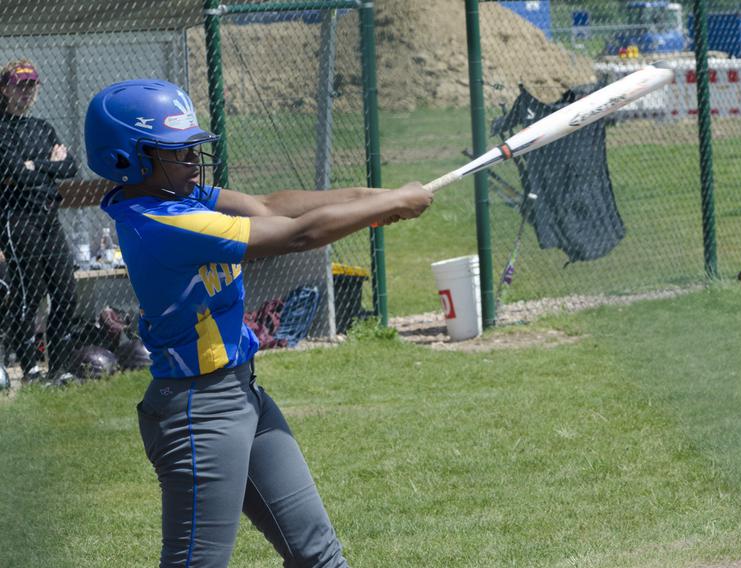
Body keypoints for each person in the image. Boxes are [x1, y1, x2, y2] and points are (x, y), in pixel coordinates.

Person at [85, 79, 432, 567]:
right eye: (176, 152)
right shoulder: (160, 220)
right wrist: (389, 205)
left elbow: (272, 206)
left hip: (242, 394)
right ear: (127, 159)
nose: (191, 162)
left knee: (318, 554)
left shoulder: (182, 196)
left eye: (191, 150)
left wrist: (381, 195)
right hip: (197, 411)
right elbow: (296, 235)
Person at [0, 59, 79, 385]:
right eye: (20, 85)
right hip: (18, 219)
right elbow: (13, 173)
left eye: (32, 85)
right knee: (28, 293)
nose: (27, 91)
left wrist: (36, 164)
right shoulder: (2, 129)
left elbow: (70, 167)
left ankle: (58, 368)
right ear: (5, 89)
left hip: (48, 217)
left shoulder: (42, 127)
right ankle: (30, 367)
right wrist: (47, 164)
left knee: (65, 292)